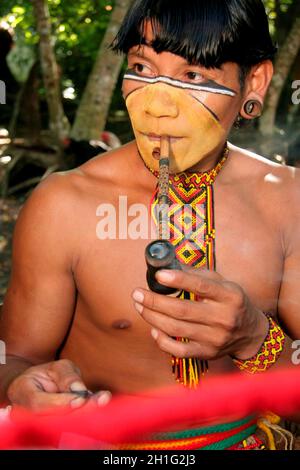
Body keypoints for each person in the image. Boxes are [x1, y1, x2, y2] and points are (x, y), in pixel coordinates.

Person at [0, 0, 299, 449]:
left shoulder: (289, 202)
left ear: (253, 81)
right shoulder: (63, 204)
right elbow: (16, 357)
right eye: (142, 67)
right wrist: (21, 385)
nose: (158, 105)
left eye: (193, 76)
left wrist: (255, 339)